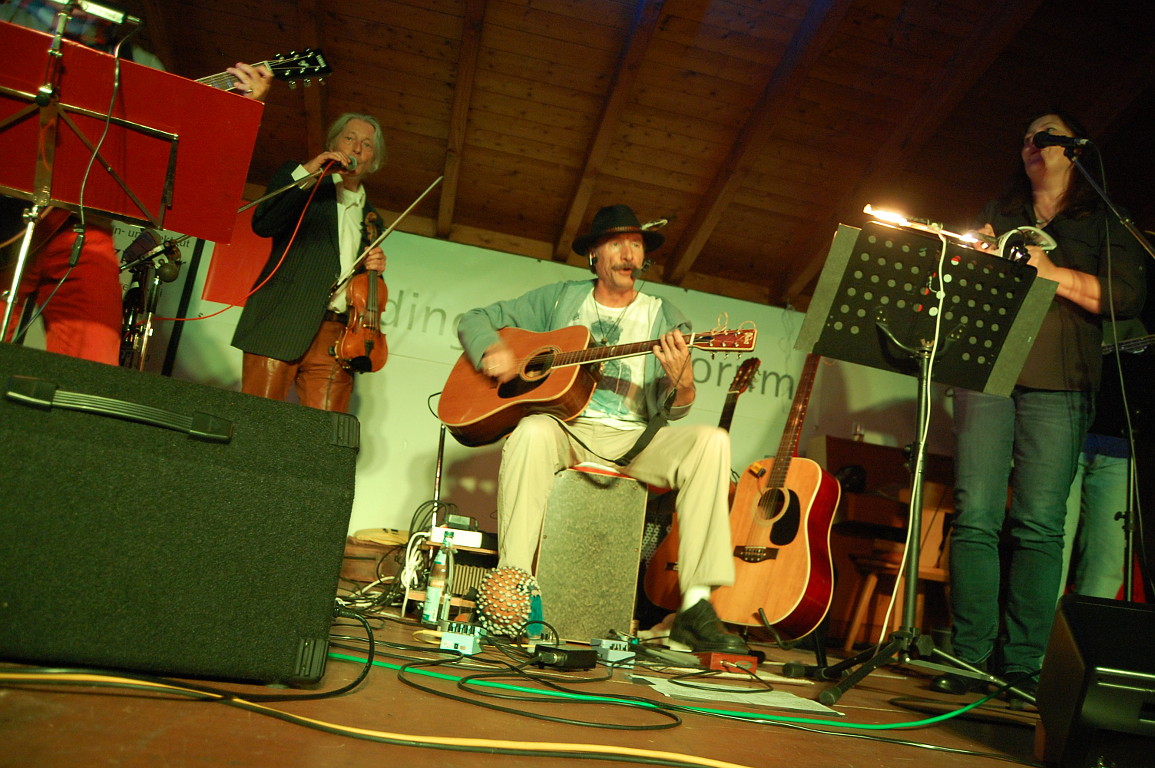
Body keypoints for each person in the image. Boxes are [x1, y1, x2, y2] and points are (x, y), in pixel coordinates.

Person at [455, 204, 748, 654]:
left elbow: (673, 409)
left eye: (636, 244)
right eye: (617, 243)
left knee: (712, 441)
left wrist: (683, 386)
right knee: (531, 429)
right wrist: (491, 350)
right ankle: (511, 592)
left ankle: (694, 605)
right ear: (594, 253)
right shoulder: (559, 300)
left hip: (635, 439)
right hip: (566, 429)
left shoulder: (663, 315)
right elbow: (473, 318)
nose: (628, 253)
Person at [935, 112, 1147, 697]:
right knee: (976, 512)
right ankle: (969, 654)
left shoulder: (1103, 220)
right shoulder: (1000, 214)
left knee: (1039, 523)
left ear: (1074, 149)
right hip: (987, 370)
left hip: (1062, 381)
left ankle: (1022, 662)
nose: (1032, 144)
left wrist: (1053, 274)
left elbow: (1126, 295)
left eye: (1046, 135)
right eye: (1026, 136)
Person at [0, 0, 271, 365]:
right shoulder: (9, 18)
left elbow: (171, 162)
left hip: (81, 225)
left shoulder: (139, 60)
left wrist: (235, 112)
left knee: (94, 364)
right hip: (6, 213)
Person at [231, 113, 388, 413]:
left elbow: (363, 291)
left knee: (321, 438)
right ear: (333, 143)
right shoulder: (305, 183)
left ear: (374, 160)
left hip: (336, 338)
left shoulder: (373, 219)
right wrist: (309, 172)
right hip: (281, 321)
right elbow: (264, 224)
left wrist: (375, 271)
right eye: (349, 138)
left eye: (366, 144)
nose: (356, 148)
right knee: (255, 420)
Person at [1059, 319, 1147, 601]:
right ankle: (1037, 641)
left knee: (1107, 564)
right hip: (1064, 438)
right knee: (1050, 550)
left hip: (1120, 447)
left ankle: (1079, 642)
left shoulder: (1135, 296)